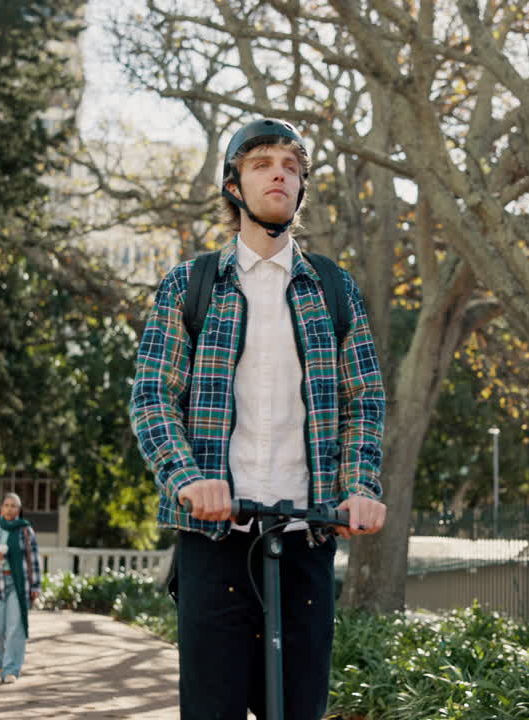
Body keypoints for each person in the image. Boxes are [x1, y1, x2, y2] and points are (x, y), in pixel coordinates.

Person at [129, 117, 387, 720]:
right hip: (216, 538)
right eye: (262, 162)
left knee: (298, 710)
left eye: (292, 166)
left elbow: (363, 402)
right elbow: (153, 397)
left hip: (307, 535)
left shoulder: (332, 288)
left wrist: (359, 488)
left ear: (301, 190)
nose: (280, 173)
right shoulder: (190, 285)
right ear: (234, 186)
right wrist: (188, 478)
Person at [0, 492, 42, 684]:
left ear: (19, 510)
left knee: (15, 628)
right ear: (1, 508)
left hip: (18, 585)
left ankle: (11, 669)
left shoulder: (26, 531)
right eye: (7, 505)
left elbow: (34, 560)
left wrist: (36, 585)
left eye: (14, 505)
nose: (10, 508)